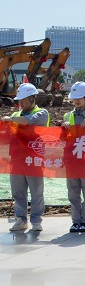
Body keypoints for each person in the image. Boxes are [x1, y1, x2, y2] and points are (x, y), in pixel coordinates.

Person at [2, 83, 49, 232]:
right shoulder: (16, 115)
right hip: (17, 159)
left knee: (36, 192)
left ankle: (36, 220)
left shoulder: (42, 113)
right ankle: (20, 220)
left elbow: (27, 121)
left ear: (32, 98)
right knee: (18, 192)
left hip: (34, 159)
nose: (20, 103)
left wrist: (10, 119)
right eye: (19, 100)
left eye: (23, 100)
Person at [62, 81, 85, 233]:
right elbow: (63, 139)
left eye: (80, 97)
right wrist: (63, 128)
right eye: (74, 98)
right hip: (72, 161)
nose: (77, 101)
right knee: (73, 193)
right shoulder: (67, 116)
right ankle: (76, 221)